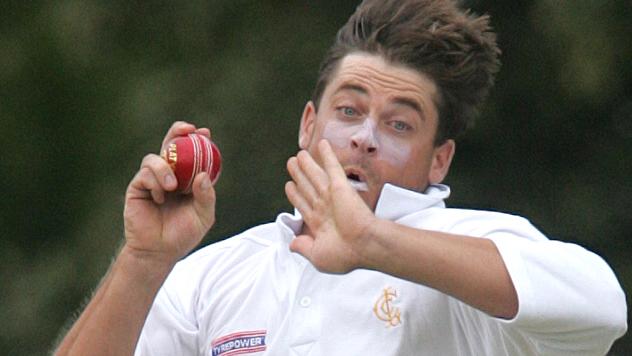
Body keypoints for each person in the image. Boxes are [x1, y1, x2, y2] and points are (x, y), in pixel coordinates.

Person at [55, 0, 627, 355]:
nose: (365, 137)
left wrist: (371, 242)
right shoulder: (217, 274)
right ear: (308, 126)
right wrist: (144, 262)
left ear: (438, 161)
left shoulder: (475, 248)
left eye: (400, 123)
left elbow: (604, 307)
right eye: (348, 111)